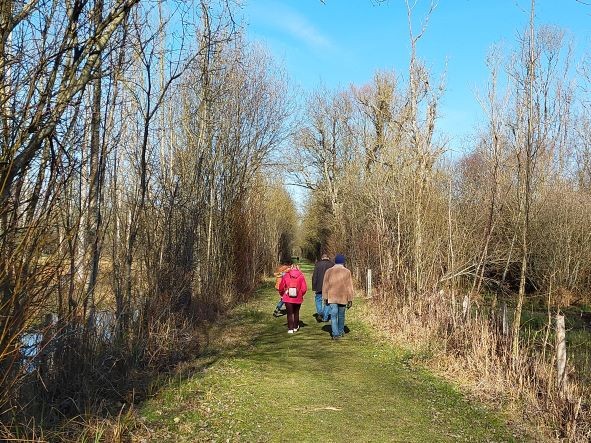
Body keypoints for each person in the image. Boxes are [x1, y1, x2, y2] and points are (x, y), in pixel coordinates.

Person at [322, 254, 354, 340]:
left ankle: (335, 334)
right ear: (343, 262)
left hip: (332, 296)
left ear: (335, 262)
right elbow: (349, 286)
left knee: (333, 314)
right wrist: (350, 299)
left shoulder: (328, 271)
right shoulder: (347, 272)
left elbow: (325, 285)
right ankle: (340, 331)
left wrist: (325, 297)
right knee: (341, 315)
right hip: (343, 297)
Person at [278, 262, 307, 334]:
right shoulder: (301, 276)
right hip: (298, 298)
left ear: (291, 268)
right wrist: (300, 294)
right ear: (298, 268)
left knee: (289, 313)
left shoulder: (286, 275)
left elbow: (281, 287)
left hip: (288, 298)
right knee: (296, 312)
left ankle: (290, 328)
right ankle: (295, 327)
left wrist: (282, 294)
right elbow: (304, 288)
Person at [312, 253, 334, 322]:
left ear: (322, 258)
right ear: (328, 258)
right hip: (329, 286)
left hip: (319, 285)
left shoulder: (318, 264)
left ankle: (320, 313)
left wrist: (314, 286)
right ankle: (325, 317)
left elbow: (314, 276)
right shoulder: (332, 264)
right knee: (328, 301)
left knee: (318, 299)